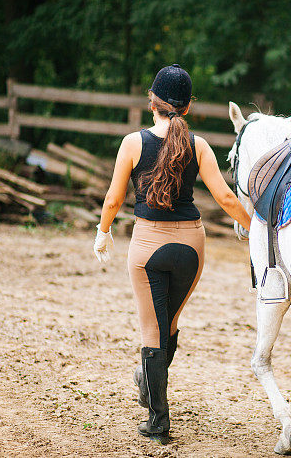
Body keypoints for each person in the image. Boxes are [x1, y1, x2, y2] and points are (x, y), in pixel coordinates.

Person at [92, 64, 251, 443]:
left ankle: (158, 419)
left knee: (152, 330)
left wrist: (102, 232)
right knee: (170, 323)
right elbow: (226, 197)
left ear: (153, 102)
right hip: (192, 248)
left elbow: (114, 198)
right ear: (188, 107)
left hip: (148, 246)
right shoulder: (199, 145)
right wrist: (256, 224)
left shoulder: (133, 142)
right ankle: (149, 384)